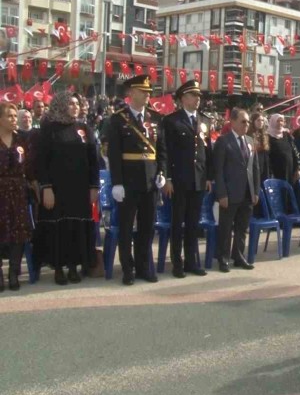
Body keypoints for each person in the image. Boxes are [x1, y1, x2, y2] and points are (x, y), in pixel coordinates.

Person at [107, 75, 167, 285]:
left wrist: (162, 172)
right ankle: (128, 269)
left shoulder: (155, 118)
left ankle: (144, 267)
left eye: (149, 92)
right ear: (131, 93)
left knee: (147, 227)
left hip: (150, 182)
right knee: (126, 227)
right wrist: (117, 182)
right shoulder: (118, 118)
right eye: (143, 91)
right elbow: (114, 153)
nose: (147, 95)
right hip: (128, 181)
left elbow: (161, 151)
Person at [33, 92, 99, 285]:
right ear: (61, 105)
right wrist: (46, 187)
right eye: (70, 103)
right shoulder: (49, 129)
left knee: (75, 227)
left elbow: (93, 160)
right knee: (58, 228)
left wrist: (94, 186)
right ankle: (59, 268)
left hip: (79, 189)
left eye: (77, 103)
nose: (75, 106)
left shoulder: (84, 128)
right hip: (56, 189)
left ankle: (73, 266)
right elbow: (41, 161)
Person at [162, 80, 212, 278]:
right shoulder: (172, 121)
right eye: (193, 96)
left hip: (198, 179)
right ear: (183, 98)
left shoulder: (204, 121)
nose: (198, 99)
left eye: (199, 96)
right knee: (178, 223)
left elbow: (207, 151)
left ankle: (192, 261)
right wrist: (167, 178)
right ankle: (177, 262)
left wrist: (209, 176)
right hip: (179, 179)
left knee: (193, 223)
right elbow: (165, 151)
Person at [214, 109, 259, 272]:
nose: (246, 124)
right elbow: (218, 170)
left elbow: (255, 168)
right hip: (230, 192)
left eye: (247, 122)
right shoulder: (223, 141)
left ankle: (238, 256)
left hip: (247, 192)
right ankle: (223, 258)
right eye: (243, 121)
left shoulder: (250, 141)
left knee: (242, 227)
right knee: (226, 228)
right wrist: (222, 194)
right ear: (232, 122)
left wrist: (255, 191)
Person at [0, 103, 33, 292]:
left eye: (15, 116)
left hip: (18, 192)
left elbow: (29, 166)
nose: (14, 119)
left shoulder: (20, 140)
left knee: (18, 232)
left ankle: (14, 272)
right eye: (10, 116)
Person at [267, 114, 300, 185]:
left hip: (290, 171)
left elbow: (295, 152)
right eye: (277, 121)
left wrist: (297, 168)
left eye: (281, 121)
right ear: (273, 122)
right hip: (276, 173)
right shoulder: (268, 137)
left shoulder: (286, 135)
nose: (280, 123)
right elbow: (267, 157)